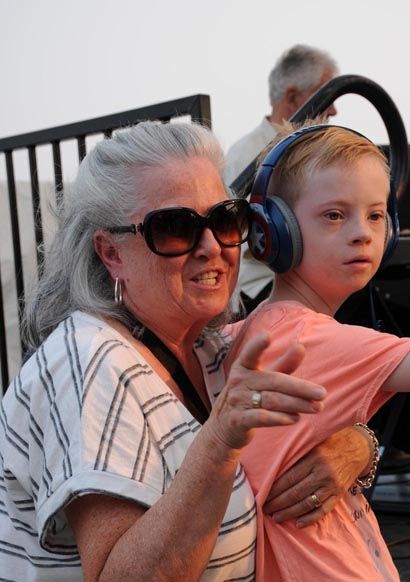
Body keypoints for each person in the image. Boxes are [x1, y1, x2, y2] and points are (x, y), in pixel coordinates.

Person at [0, 120, 374, 581]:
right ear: (111, 253)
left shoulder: (210, 348)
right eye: (176, 228)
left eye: (224, 220)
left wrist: (359, 445)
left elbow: (316, 423)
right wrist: (218, 443)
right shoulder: (91, 364)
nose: (211, 246)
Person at [224, 122, 410, 580]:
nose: (362, 233)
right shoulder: (313, 337)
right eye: (334, 215)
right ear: (273, 231)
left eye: (375, 215)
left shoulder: (251, 329)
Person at [225, 44, 339, 311]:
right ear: (292, 97)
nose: (334, 110)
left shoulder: (315, 153)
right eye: (326, 95)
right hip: (261, 290)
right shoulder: (245, 157)